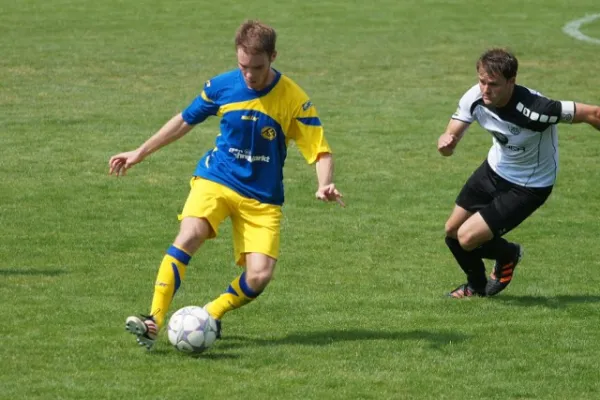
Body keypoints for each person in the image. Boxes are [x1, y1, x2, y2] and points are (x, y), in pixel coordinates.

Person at [109, 20, 344, 349]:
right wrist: (140, 152)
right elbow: (183, 120)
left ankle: (211, 313)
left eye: (257, 67)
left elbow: (320, 150)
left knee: (259, 276)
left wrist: (325, 183)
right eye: (243, 66)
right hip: (217, 178)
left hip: (262, 198)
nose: (249, 75)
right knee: (190, 234)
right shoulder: (223, 86)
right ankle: (153, 320)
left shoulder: (294, 99)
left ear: (273, 57)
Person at [437, 48, 600, 298]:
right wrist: (446, 143)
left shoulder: (538, 109)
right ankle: (477, 286)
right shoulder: (475, 97)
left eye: (493, 84)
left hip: (528, 185)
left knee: (467, 238)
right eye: (482, 81)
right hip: (493, 170)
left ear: (512, 82)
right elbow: (449, 140)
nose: (485, 89)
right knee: (452, 232)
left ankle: (508, 255)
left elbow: (593, 113)